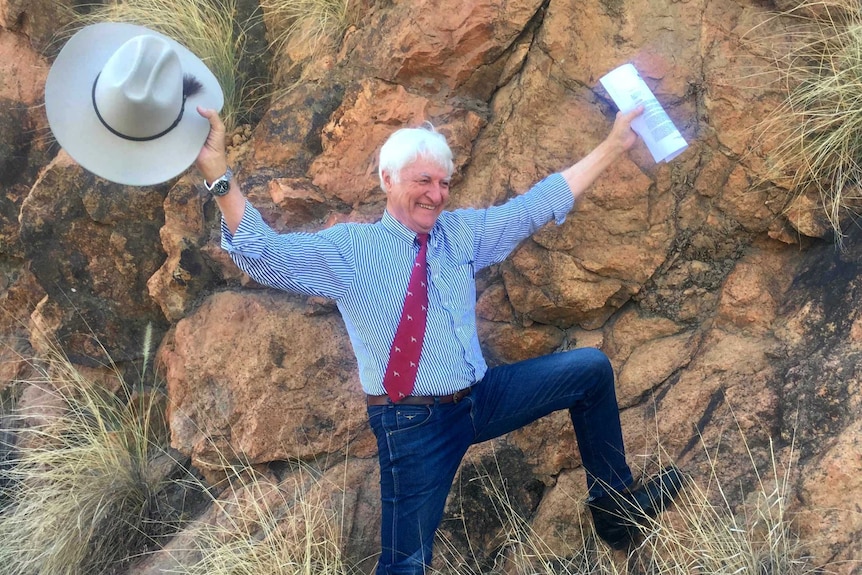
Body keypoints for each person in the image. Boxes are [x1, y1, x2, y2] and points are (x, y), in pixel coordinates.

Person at [194, 104, 683, 574]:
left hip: (482, 397)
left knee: (590, 370)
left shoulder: (459, 233)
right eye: (423, 181)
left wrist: (614, 145)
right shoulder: (347, 248)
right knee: (405, 564)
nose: (436, 194)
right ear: (388, 180)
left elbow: (535, 206)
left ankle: (616, 511)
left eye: (444, 182)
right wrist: (217, 170)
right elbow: (262, 254)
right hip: (412, 422)